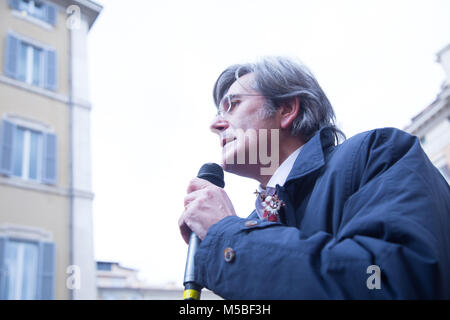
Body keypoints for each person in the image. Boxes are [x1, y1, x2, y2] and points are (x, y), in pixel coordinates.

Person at [178, 56, 450, 299]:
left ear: (286, 109)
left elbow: (391, 282)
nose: (215, 125)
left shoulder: (377, 153)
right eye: (218, 112)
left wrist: (229, 234)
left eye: (233, 105)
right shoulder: (252, 223)